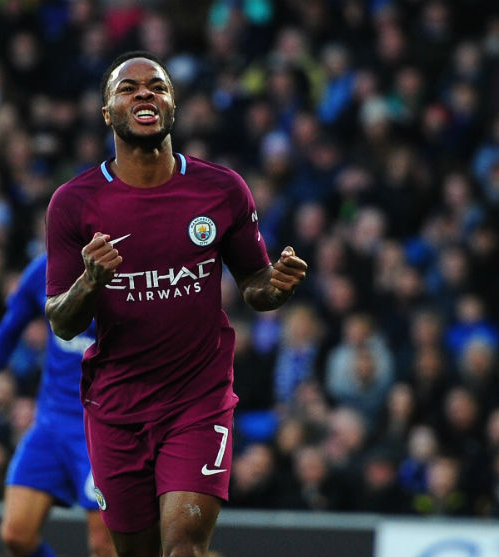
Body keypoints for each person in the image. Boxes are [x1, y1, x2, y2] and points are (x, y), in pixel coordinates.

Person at [44, 50, 308, 557]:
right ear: (107, 113)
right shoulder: (73, 203)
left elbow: (255, 284)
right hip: (116, 406)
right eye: (128, 87)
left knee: (183, 548)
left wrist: (275, 287)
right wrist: (90, 282)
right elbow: (61, 320)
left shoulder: (221, 189)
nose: (145, 93)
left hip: (197, 399)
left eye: (157, 86)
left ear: (172, 105)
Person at [0, 254, 115, 557]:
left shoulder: (131, 271)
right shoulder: (46, 267)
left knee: (104, 545)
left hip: (106, 427)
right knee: (16, 535)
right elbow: (7, 332)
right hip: (51, 424)